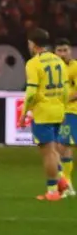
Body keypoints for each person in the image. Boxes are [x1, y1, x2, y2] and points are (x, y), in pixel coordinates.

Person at [19, 28, 69, 201]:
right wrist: (63, 109)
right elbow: (65, 89)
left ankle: (52, 191)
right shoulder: (59, 61)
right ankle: (61, 181)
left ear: (33, 44)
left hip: (43, 112)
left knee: (47, 152)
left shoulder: (33, 64)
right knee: (53, 150)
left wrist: (23, 113)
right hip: (58, 109)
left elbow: (31, 93)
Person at [57, 38, 77, 196]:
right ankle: (68, 184)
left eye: (65, 50)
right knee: (66, 146)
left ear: (70, 51)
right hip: (55, 111)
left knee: (61, 146)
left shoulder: (75, 67)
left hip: (71, 111)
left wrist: (61, 100)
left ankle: (65, 183)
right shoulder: (54, 68)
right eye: (59, 50)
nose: (62, 53)